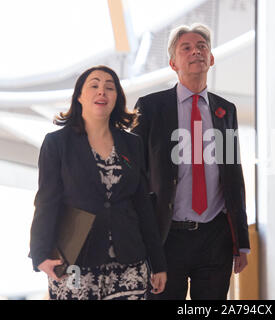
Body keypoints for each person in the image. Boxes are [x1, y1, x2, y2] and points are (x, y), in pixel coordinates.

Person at [132, 23, 249, 300]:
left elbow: (233, 176)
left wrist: (241, 243)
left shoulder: (225, 110)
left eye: (202, 47)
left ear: (211, 59)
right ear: (173, 63)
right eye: (187, 48)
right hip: (166, 236)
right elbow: (135, 175)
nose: (196, 51)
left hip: (215, 238)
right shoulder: (150, 108)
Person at [29, 65, 167, 300]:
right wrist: (39, 254)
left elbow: (143, 206)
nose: (102, 91)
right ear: (79, 97)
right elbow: (46, 201)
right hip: (75, 261)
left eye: (109, 87)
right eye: (94, 85)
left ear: (116, 98)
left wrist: (158, 262)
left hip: (129, 262)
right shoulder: (57, 143)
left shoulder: (132, 144)